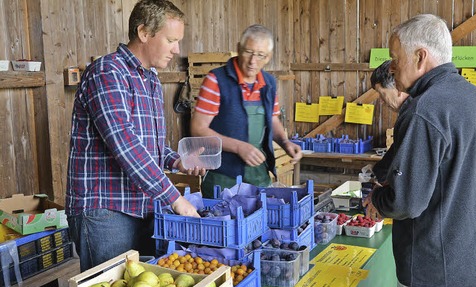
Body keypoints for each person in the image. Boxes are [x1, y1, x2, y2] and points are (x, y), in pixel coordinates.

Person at [362, 14, 476, 287]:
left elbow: (407, 201)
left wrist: (377, 202)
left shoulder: (425, 110)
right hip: (473, 257)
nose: (393, 69)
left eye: (396, 59)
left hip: (438, 267)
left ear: (421, 57)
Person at [66, 0, 204, 271]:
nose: (177, 50)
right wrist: (175, 198)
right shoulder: (108, 72)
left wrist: (177, 161)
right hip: (105, 212)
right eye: (171, 40)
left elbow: (150, 145)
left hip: (143, 205)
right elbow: (125, 144)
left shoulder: (150, 78)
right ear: (143, 33)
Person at [191, 24, 302, 195]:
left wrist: (285, 142)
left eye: (260, 55)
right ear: (238, 49)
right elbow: (198, 129)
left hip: (258, 175)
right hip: (222, 178)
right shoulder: (216, 81)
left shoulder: (269, 84)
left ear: (269, 57)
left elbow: (272, 120)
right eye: (248, 52)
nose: (252, 61)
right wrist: (238, 147)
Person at [369, 60, 409, 182]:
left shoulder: (414, 116)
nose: (381, 100)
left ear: (398, 87)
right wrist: (377, 173)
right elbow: (396, 150)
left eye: (382, 94)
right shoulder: (407, 113)